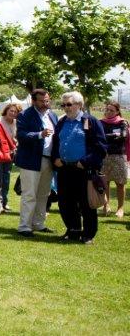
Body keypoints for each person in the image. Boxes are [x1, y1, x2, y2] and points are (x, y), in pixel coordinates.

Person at [52, 91, 107, 244]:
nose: (66, 108)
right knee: (65, 202)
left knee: (86, 203)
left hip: (83, 170)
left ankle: (88, 234)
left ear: (79, 105)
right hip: (64, 169)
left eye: (69, 104)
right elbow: (55, 142)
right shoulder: (62, 122)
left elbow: (101, 147)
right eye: (63, 105)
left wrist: (85, 162)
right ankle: (73, 230)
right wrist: (55, 158)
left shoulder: (91, 121)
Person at [14, 89, 58, 237]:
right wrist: (39, 134)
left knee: (44, 194)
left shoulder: (52, 115)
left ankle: (38, 224)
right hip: (31, 160)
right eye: (42, 101)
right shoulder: (25, 115)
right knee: (29, 195)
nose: (45, 103)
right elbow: (21, 135)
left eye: (47, 100)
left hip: (48, 160)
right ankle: (24, 226)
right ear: (33, 101)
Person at [100, 101, 128, 218]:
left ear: (117, 111)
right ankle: (106, 205)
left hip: (118, 156)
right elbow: (97, 136)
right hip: (104, 156)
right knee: (104, 183)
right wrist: (113, 135)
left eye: (111, 110)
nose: (108, 112)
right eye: (107, 109)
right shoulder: (100, 122)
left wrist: (105, 136)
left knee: (120, 183)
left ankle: (120, 208)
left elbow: (123, 136)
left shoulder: (123, 122)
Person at [0, 103, 21, 212]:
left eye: (15, 112)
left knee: (6, 178)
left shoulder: (16, 123)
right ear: (6, 110)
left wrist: (16, 141)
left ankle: (4, 202)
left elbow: (17, 137)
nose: (13, 113)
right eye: (11, 110)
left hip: (10, 154)